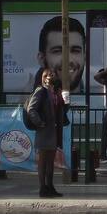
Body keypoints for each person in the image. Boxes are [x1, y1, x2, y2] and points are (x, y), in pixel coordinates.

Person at [27, 68, 69, 198]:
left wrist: (65, 101)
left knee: (50, 162)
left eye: (52, 74)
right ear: (42, 78)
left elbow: (62, 110)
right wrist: (39, 122)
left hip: (54, 130)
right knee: (43, 162)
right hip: (44, 131)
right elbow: (31, 109)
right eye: (47, 75)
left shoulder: (55, 92)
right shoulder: (41, 91)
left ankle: (50, 186)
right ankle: (43, 188)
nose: (50, 77)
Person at [36, 16, 86, 93]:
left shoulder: (95, 100)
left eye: (75, 51)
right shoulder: (33, 98)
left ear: (85, 57)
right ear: (42, 59)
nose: (68, 60)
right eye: (57, 51)